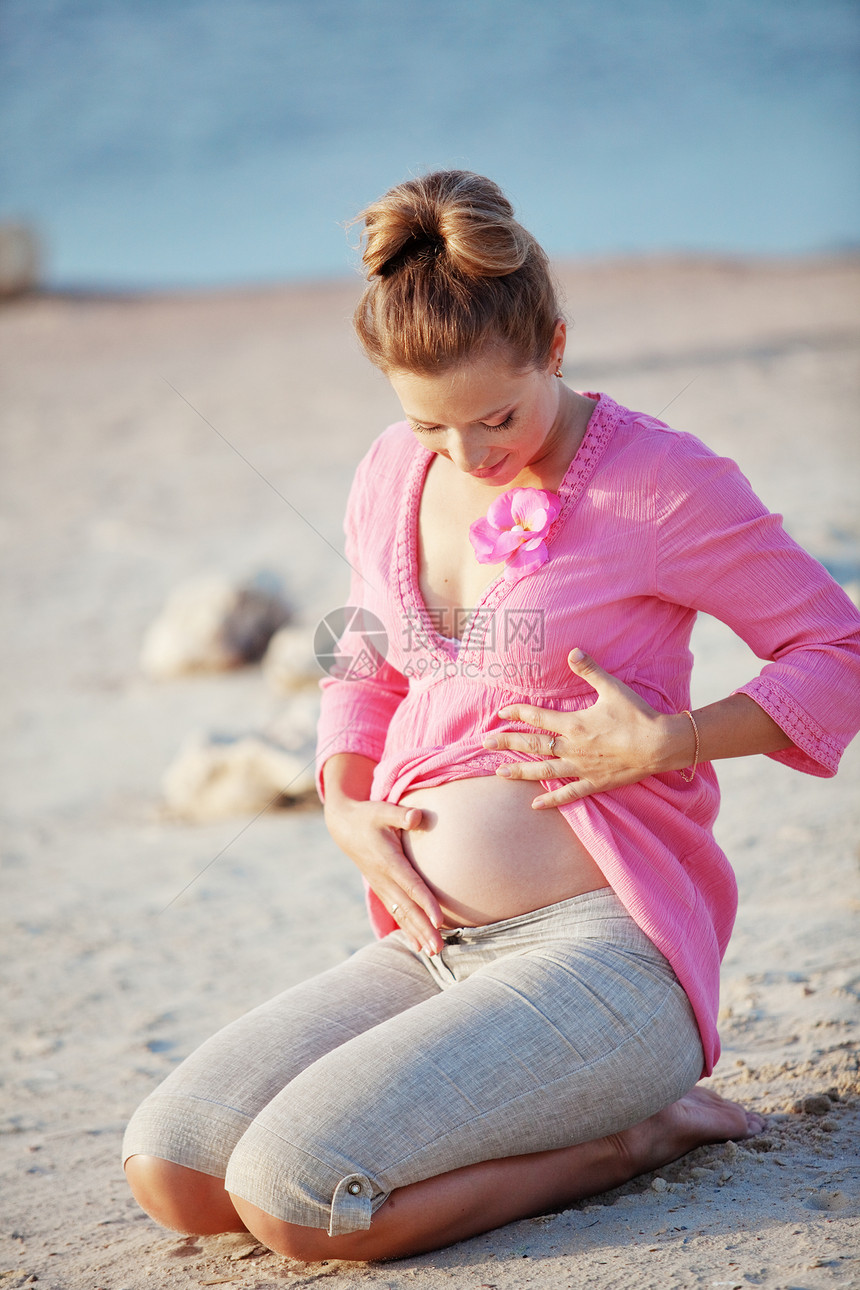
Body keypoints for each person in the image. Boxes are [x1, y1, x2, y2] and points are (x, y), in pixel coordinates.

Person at [123, 171, 860, 1261]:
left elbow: (834, 648)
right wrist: (342, 798)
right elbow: (359, 653)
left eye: (497, 417)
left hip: (606, 955)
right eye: (429, 425)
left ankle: (628, 1138)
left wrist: (677, 737)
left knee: (296, 1201)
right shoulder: (387, 473)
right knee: (173, 1167)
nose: (469, 455)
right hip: (435, 945)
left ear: (552, 346)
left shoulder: (661, 484)